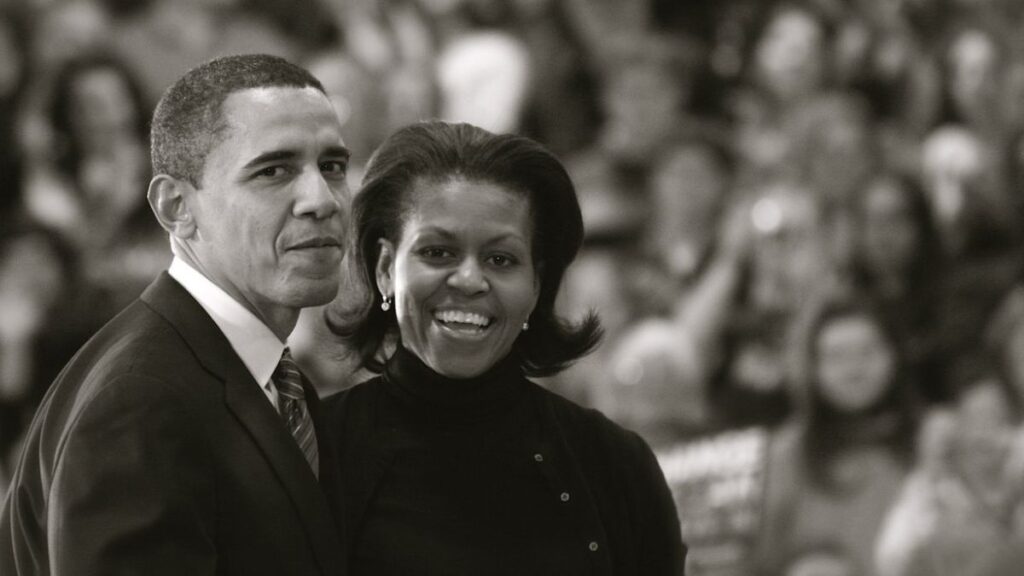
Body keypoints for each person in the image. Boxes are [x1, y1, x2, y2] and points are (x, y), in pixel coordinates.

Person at [0, 54, 350, 576]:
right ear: (176, 208)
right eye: (273, 170)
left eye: (332, 166)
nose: (321, 199)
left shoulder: (264, 373)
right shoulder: (139, 403)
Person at [323, 120, 685, 575]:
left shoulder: (612, 464)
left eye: (501, 259)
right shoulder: (315, 454)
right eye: (437, 252)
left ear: (536, 285)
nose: (470, 280)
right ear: (383, 269)